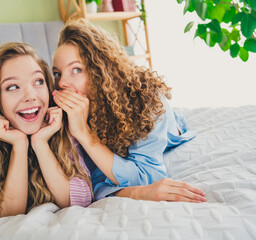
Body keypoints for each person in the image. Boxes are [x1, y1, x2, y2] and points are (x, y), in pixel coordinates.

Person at [51, 19, 206, 203]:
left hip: (170, 127)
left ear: (100, 70)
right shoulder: (72, 115)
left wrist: (85, 135)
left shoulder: (145, 98)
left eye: (76, 69)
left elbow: (149, 176)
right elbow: (95, 181)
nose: (61, 83)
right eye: (57, 73)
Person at [0, 42, 92, 220]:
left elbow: (80, 200)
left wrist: (40, 143)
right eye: (12, 87)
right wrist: (19, 145)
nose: (31, 96)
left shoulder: (64, 133)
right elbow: (1, 216)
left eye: (38, 81)